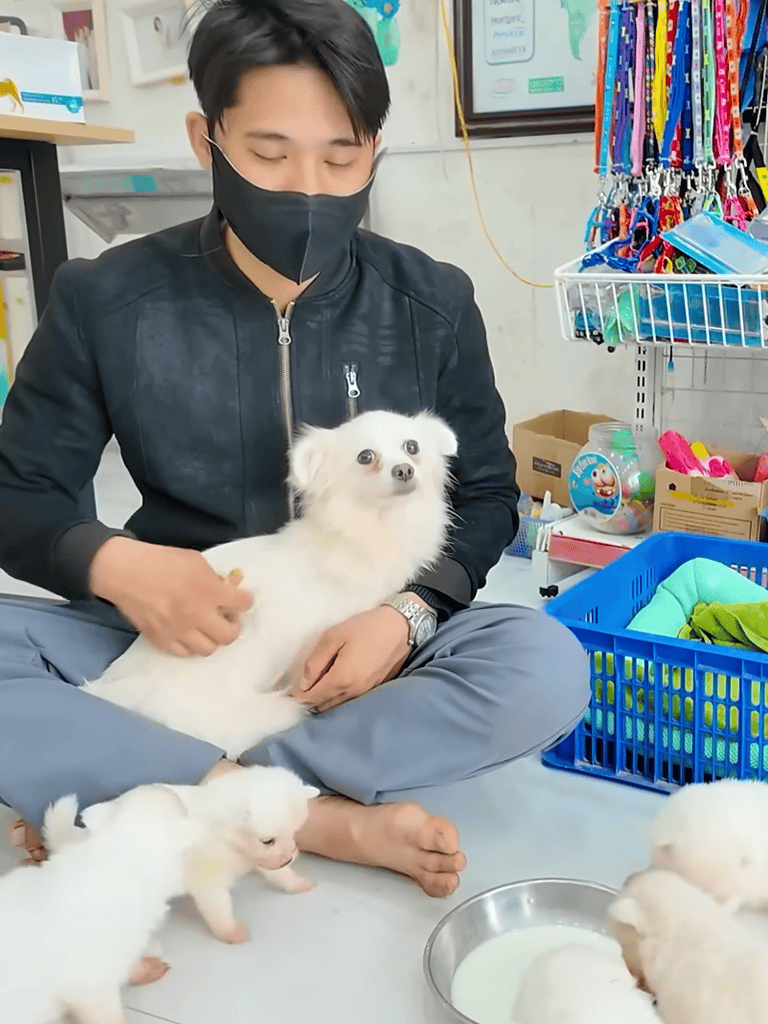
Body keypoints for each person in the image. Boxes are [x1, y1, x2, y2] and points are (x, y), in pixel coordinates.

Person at [0, 0, 589, 897]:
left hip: (363, 638)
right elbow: (22, 494)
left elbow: (486, 501)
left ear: (375, 152)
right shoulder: (104, 301)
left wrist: (409, 618)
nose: (308, 185)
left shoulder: (432, 304)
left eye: (342, 155)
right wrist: (117, 565)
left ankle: (163, 781)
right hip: (171, 630)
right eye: (271, 154)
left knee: (543, 666)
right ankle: (305, 814)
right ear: (208, 140)